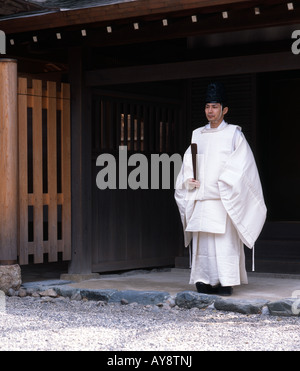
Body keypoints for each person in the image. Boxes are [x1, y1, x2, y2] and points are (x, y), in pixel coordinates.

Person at [175, 82, 267, 296]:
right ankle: (203, 280)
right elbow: (188, 163)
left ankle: (226, 281)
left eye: (215, 106)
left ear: (224, 110)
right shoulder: (197, 135)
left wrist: (226, 181)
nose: (210, 111)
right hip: (201, 199)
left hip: (223, 199)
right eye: (207, 106)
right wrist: (189, 179)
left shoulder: (234, 134)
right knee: (203, 246)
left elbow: (243, 166)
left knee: (223, 245)